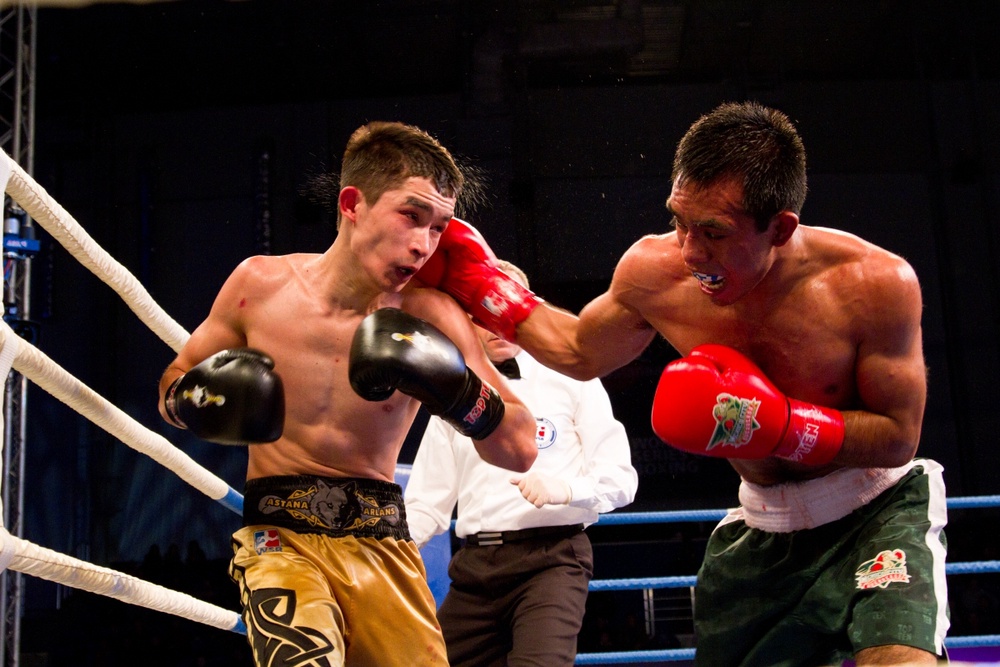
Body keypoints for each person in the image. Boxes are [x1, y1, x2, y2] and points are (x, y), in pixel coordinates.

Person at [415, 101, 949, 666]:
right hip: (764, 523)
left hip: (874, 509)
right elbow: (576, 349)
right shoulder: (656, 272)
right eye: (679, 220)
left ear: (781, 227)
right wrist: (473, 279)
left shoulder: (872, 285)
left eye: (714, 232)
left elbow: (897, 436)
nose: (691, 250)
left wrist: (783, 425)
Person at [157, 121, 538, 667]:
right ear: (353, 203)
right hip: (280, 539)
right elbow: (172, 385)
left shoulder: (430, 315)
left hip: (383, 543)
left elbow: (520, 448)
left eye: (438, 228)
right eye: (411, 215)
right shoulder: (258, 287)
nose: (422, 244)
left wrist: (459, 394)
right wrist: (199, 400)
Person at [404, 260, 638, 667]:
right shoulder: (452, 392)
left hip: (552, 560)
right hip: (475, 570)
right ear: (468, 320)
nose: (497, 325)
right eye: (485, 314)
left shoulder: (573, 377)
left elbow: (621, 478)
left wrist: (566, 490)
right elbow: (428, 503)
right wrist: (386, 545)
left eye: (507, 312)